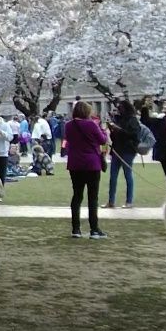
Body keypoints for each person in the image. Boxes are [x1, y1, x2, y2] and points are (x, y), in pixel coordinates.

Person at [62, 102, 109, 240]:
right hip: (91, 163)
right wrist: (104, 132)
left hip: (75, 163)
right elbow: (102, 140)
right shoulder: (91, 124)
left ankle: (75, 228)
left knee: (77, 195)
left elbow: (70, 140)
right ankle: (94, 229)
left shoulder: (68, 125)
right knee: (92, 197)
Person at [106, 102, 142, 209]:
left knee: (128, 175)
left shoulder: (133, 120)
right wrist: (112, 130)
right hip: (117, 149)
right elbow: (115, 137)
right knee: (113, 176)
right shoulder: (118, 119)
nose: (118, 110)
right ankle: (111, 201)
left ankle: (129, 201)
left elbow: (135, 136)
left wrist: (119, 130)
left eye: (120, 108)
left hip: (128, 151)